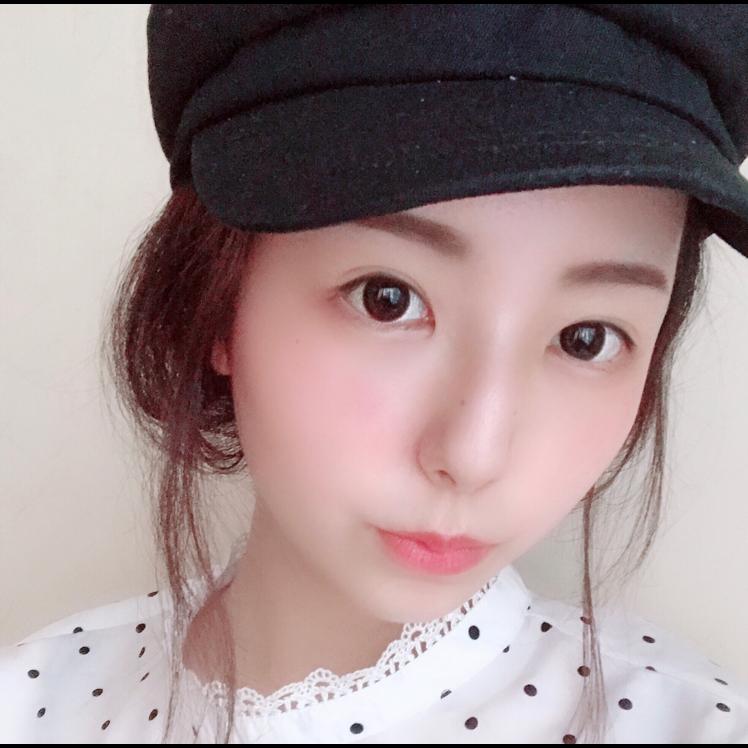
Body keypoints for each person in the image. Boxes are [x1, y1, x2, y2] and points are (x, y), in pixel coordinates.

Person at [2, 5, 748, 744]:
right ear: (218, 301)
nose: (473, 456)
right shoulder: (33, 702)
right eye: (387, 299)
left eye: (587, 340)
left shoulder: (685, 726)